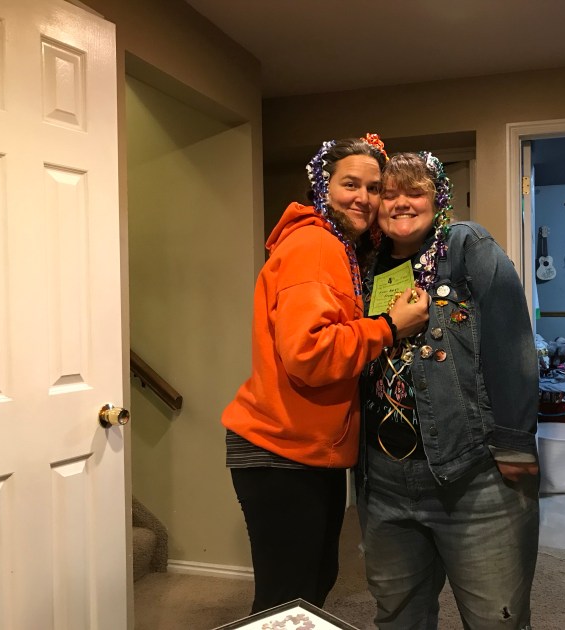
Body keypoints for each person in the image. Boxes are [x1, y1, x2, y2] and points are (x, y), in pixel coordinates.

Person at [222, 135, 429, 613]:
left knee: (308, 587)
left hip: (304, 448)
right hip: (282, 450)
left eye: (374, 188)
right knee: (287, 601)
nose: (364, 198)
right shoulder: (316, 244)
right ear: (323, 187)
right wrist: (390, 327)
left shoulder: (338, 248)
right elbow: (309, 354)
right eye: (350, 184)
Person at [358, 152, 540, 629]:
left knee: (497, 619)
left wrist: (516, 443)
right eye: (388, 194)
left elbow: (512, 343)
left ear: (437, 198)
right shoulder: (364, 265)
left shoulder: (466, 246)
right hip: (384, 480)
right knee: (398, 617)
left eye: (414, 192)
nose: (400, 203)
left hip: (472, 474)